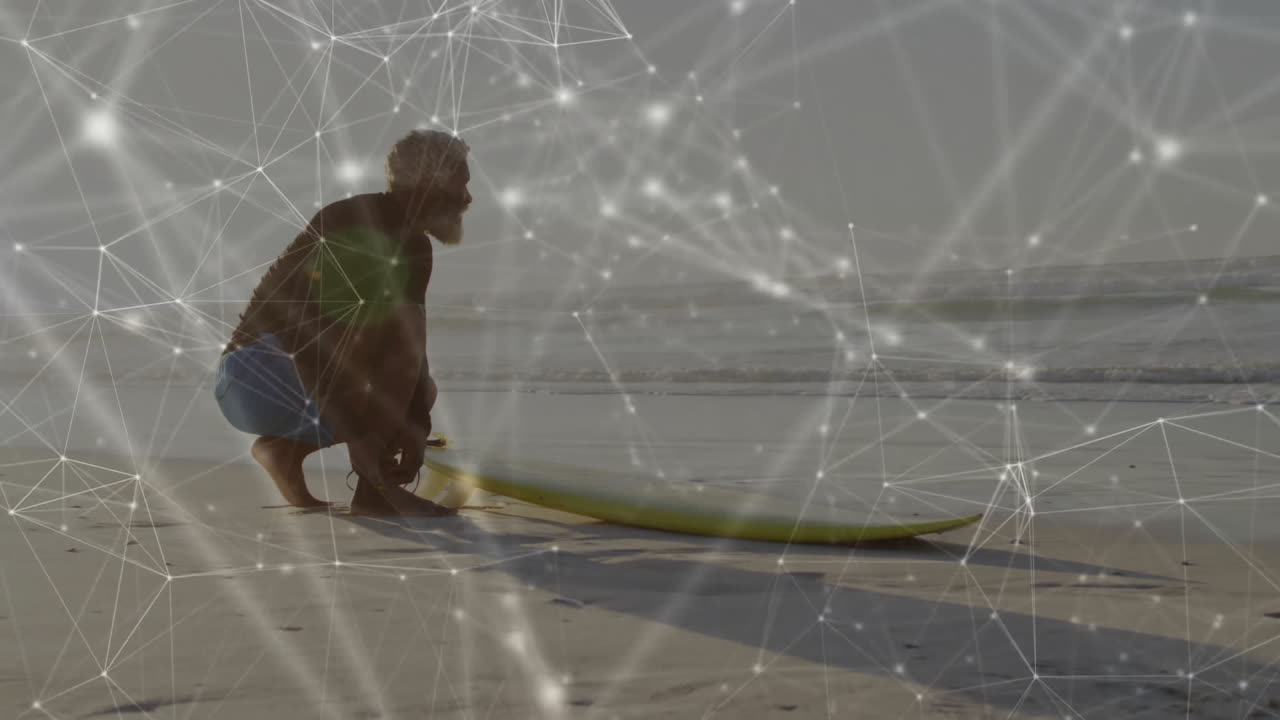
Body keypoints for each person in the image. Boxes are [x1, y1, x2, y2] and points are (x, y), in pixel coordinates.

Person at [214, 129, 472, 516]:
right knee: (399, 337)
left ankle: (284, 450)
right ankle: (374, 492)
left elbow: (409, 358)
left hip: (279, 382)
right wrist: (360, 436)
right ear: (431, 182)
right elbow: (310, 334)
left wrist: (417, 424)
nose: (468, 198)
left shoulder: (414, 245)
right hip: (257, 371)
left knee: (423, 386)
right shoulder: (354, 223)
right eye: (461, 183)